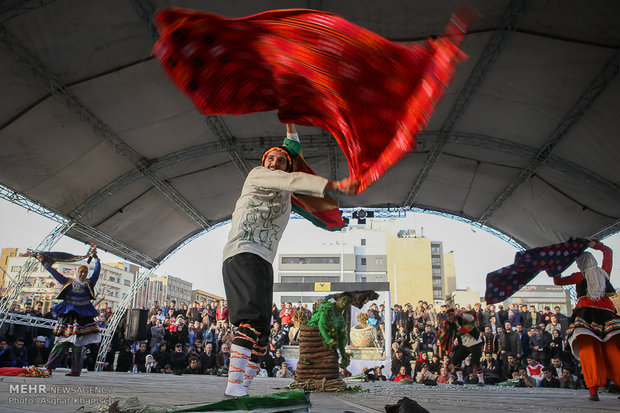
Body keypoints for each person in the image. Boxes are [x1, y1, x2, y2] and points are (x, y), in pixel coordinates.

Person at [222, 124, 358, 397]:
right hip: (242, 252)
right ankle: (233, 386)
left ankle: (243, 387)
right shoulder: (258, 175)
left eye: (281, 161)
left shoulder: (286, 196)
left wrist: (291, 123)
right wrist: (333, 186)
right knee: (248, 322)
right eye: (270, 158)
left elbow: (293, 154)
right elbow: (295, 179)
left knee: (262, 333)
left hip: (263, 261)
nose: (275, 163)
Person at [550, 239, 620, 401]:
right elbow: (609, 252)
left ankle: (593, 391)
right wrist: (596, 245)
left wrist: (555, 267)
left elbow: (557, 281)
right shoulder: (604, 272)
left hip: (585, 319)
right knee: (614, 353)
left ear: (580, 264)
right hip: (609, 318)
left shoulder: (578, 276)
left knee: (590, 353)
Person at [39, 251, 101, 376]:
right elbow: (55, 274)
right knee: (62, 342)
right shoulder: (68, 282)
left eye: (85, 272)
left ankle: (76, 370)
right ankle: (49, 367)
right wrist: (45, 264)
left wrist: (96, 259)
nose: (83, 274)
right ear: (77, 272)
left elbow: (97, 272)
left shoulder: (89, 283)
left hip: (83, 318)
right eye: (81, 272)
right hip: (69, 317)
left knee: (78, 344)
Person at [439, 308, 485, 385]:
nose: (449, 318)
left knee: (475, 361)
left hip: (475, 342)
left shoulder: (463, 317)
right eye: (448, 316)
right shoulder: (452, 323)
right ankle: (460, 379)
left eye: (450, 316)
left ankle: (481, 380)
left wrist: (461, 314)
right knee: (456, 359)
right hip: (464, 344)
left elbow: (472, 318)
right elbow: (448, 331)